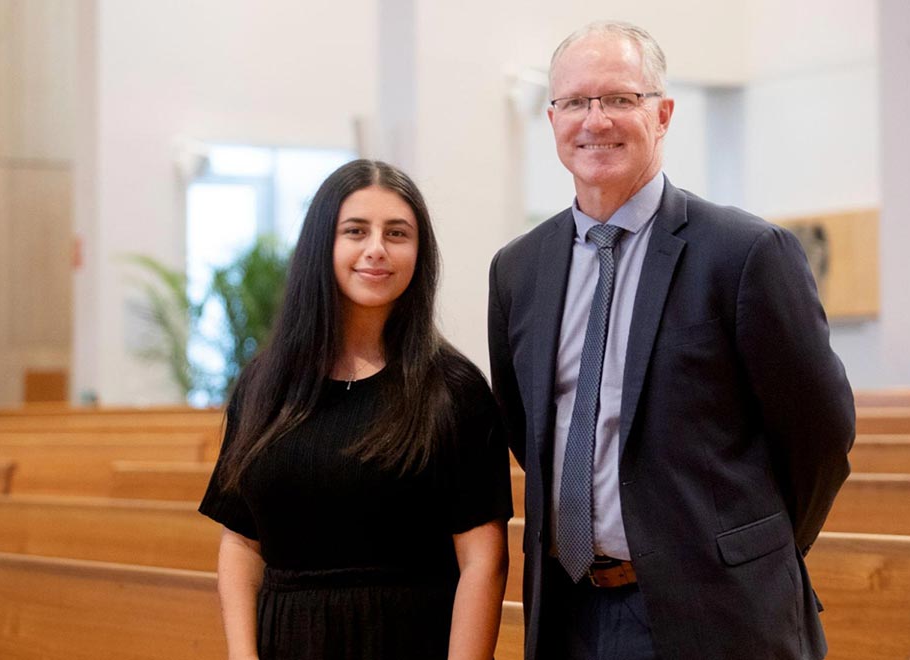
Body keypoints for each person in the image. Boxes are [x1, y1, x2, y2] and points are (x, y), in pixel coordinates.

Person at [487, 21, 855, 660]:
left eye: (619, 99)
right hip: (568, 611)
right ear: (552, 120)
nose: (595, 120)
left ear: (662, 113)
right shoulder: (519, 269)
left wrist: (743, 548)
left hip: (715, 611)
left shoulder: (744, 253)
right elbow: (526, 428)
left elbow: (821, 433)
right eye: (575, 101)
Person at [200, 159, 512, 660]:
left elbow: (483, 559)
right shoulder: (265, 384)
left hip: (408, 639)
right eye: (355, 231)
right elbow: (240, 543)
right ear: (323, 244)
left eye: (397, 233)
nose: (376, 250)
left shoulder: (454, 390)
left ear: (420, 251)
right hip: (287, 641)